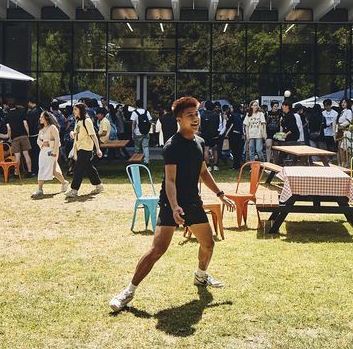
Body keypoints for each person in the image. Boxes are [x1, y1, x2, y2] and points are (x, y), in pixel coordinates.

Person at [109, 96, 235, 312]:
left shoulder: (200, 142)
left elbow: (203, 172)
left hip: (193, 202)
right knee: (157, 249)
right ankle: (127, 292)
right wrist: (175, 206)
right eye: (190, 116)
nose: (195, 119)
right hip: (171, 204)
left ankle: (201, 276)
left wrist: (220, 194)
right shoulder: (172, 146)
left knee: (208, 244)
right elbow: (170, 180)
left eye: (196, 114)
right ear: (179, 119)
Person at [66, 103, 103, 198]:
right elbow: (77, 134)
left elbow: (93, 135)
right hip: (79, 147)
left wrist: (98, 149)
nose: (74, 111)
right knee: (88, 168)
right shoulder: (78, 121)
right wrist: (72, 133)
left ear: (81, 110)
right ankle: (99, 185)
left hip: (86, 148)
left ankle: (74, 190)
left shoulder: (87, 121)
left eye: (75, 109)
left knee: (78, 168)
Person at [34, 111, 68, 197]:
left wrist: (54, 151)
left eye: (42, 117)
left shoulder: (52, 127)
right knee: (42, 168)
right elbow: (38, 140)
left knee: (53, 170)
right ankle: (40, 189)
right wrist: (42, 144)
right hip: (43, 152)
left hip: (52, 151)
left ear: (46, 118)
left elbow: (57, 140)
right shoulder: (41, 129)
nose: (40, 119)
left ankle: (64, 183)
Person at [6, 100, 32, 176]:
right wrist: (27, 134)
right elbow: (25, 124)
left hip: (15, 136)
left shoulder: (7, 115)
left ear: (8, 106)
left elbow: (9, 128)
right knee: (26, 154)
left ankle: (17, 172)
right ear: (15, 105)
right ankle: (29, 171)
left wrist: (10, 137)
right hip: (23, 135)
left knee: (17, 155)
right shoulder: (21, 112)